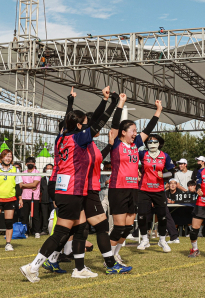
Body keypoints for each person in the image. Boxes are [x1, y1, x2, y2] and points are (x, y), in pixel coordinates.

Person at [20, 86, 122, 283]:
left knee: (80, 228)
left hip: (64, 190)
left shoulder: (61, 138)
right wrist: (109, 102)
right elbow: (98, 123)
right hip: (72, 191)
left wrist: (97, 101)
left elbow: (74, 119)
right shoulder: (78, 138)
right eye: (83, 123)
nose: (87, 126)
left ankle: (79, 268)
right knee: (61, 233)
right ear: (78, 126)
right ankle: (33, 267)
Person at [108, 96, 162, 265]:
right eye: (133, 130)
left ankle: (115, 254)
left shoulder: (135, 144)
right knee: (118, 227)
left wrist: (158, 110)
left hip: (133, 189)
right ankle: (108, 258)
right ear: (124, 132)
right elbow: (115, 124)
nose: (136, 133)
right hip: (118, 189)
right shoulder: (116, 143)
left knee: (129, 226)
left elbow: (149, 128)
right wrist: (121, 103)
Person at [137, 134, 176, 251]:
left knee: (162, 217)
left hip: (159, 190)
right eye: (149, 142)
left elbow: (172, 172)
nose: (152, 144)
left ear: (159, 143)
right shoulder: (142, 154)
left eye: (155, 142)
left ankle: (162, 241)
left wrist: (163, 175)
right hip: (144, 189)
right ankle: (145, 240)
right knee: (142, 215)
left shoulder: (165, 156)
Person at [20, 157, 42, 238]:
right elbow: (20, 185)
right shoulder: (23, 173)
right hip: (25, 197)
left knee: (35, 215)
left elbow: (34, 184)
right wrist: (30, 185)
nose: (30, 164)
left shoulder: (37, 173)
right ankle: (25, 232)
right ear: (26, 164)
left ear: (34, 164)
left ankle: (37, 231)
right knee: (24, 215)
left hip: (34, 197)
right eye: (28, 162)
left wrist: (24, 185)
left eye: (32, 162)